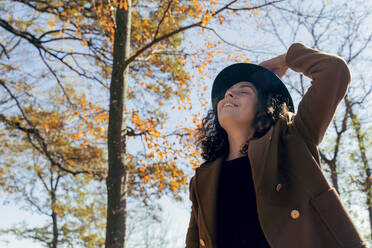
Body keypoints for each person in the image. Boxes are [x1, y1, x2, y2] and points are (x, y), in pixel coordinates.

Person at [185, 42, 367, 248]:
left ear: (265, 106)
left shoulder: (293, 137)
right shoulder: (201, 181)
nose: (229, 94)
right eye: (227, 92)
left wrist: (284, 60)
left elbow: (334, 71)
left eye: (243, 91)